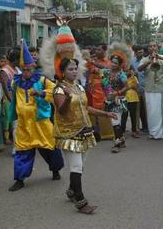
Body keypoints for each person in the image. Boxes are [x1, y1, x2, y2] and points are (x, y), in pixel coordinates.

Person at [53, 58, 117, 214]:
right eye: (70, 69)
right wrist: (68, 98)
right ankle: (81, 202)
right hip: (69, 133)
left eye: (75, 68)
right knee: (76, 166)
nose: (74, 71)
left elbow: (86, 107)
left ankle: (71, 190)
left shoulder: (79, 87)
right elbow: (61, 110)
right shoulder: (59, 89)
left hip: (85, 131)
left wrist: (105, 113)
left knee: (81, 166)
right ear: (62, 72)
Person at [7, 40, 64, 192]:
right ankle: (19, 179)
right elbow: (13, 100)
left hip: (41, 122)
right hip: (24, 124)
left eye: (28, 69)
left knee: (50, 147)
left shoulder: (42, 80)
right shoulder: (16, 82)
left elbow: (56, 92)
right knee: (22, 151)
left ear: (33, 67)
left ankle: (55, 170)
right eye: (23, 69)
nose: (26, 72)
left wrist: (42, 93)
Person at [138, 41, 163, 140]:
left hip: (161, 89)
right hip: (150, 89)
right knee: (152, 112)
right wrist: (149, 62)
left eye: (154, 46)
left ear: (157, 48)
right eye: (150, 46)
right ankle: (154, 133)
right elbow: (139, 69)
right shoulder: (144, 59)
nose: (152, 48)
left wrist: (160, 57)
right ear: (148, 49)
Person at [101, 42, 132, 153]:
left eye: (115, 63)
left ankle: (117, 143)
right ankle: (122, 139)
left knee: (115, 122)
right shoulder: (107, 72)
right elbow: (100, 68)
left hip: (119, 100)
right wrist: (90, 62)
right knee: (115, 122)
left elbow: (127, 87)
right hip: (109, 100)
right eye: (112, 62)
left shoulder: (121, 74)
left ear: (119, 65)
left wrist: (117, 92)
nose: (112, 64)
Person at [0, 50, 18, 145]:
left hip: (17, 99)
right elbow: (6, 88)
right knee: (11, 121)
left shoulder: (17, 69)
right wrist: (13, 102)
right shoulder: (4, 71)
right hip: (9, 100)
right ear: (15, 60)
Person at [131, 45, 148, 133]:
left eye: (142, 52)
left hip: (145, 88)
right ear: (135, 52)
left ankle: (146, 126)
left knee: (145, 109)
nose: (141, 54)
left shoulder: (146, 60)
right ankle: (136, 128)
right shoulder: (132, 61)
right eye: (139, 52)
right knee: (136, 109)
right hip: (136, 88)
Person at [121, 68, 140, 138]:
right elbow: (121, 87)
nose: (127, 72)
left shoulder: (134, 78)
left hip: (133, 99)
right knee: (124, 116)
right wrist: (128, 87)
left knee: (133, 116)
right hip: (124, 99)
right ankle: (122, 133)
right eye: (125, 71)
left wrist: (132, 77)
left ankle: (134, 131)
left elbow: (136, 87)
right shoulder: (122, 77)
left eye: (128, 71)